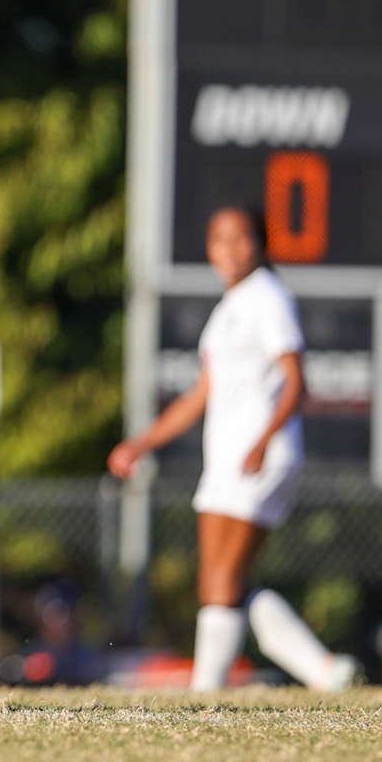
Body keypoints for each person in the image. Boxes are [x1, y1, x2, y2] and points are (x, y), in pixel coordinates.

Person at [109, 207, 355, 694]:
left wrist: (264, 439)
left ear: (260, 243)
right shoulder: (229, 307)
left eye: (241, 237)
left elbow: (296, 380)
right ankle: (325, 672)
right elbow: (202, 394)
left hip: (259, 456)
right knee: (223, 583)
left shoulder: (269, 297)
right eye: (219, 238)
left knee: (222, 580)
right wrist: (143, 442)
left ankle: (207, 691)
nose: (230, 248)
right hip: (226, 460)